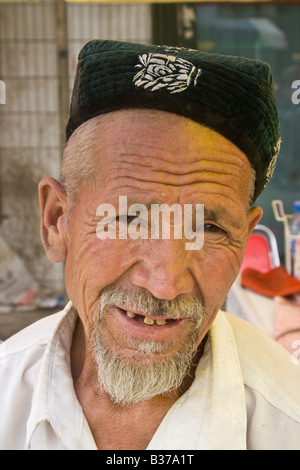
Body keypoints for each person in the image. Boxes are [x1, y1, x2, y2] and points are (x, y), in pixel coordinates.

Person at [1, 39, 300, 451]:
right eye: (128, 219)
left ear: (244, 240)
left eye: (210, 229)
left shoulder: (288, 418)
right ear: (56, 221)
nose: (165, 283)